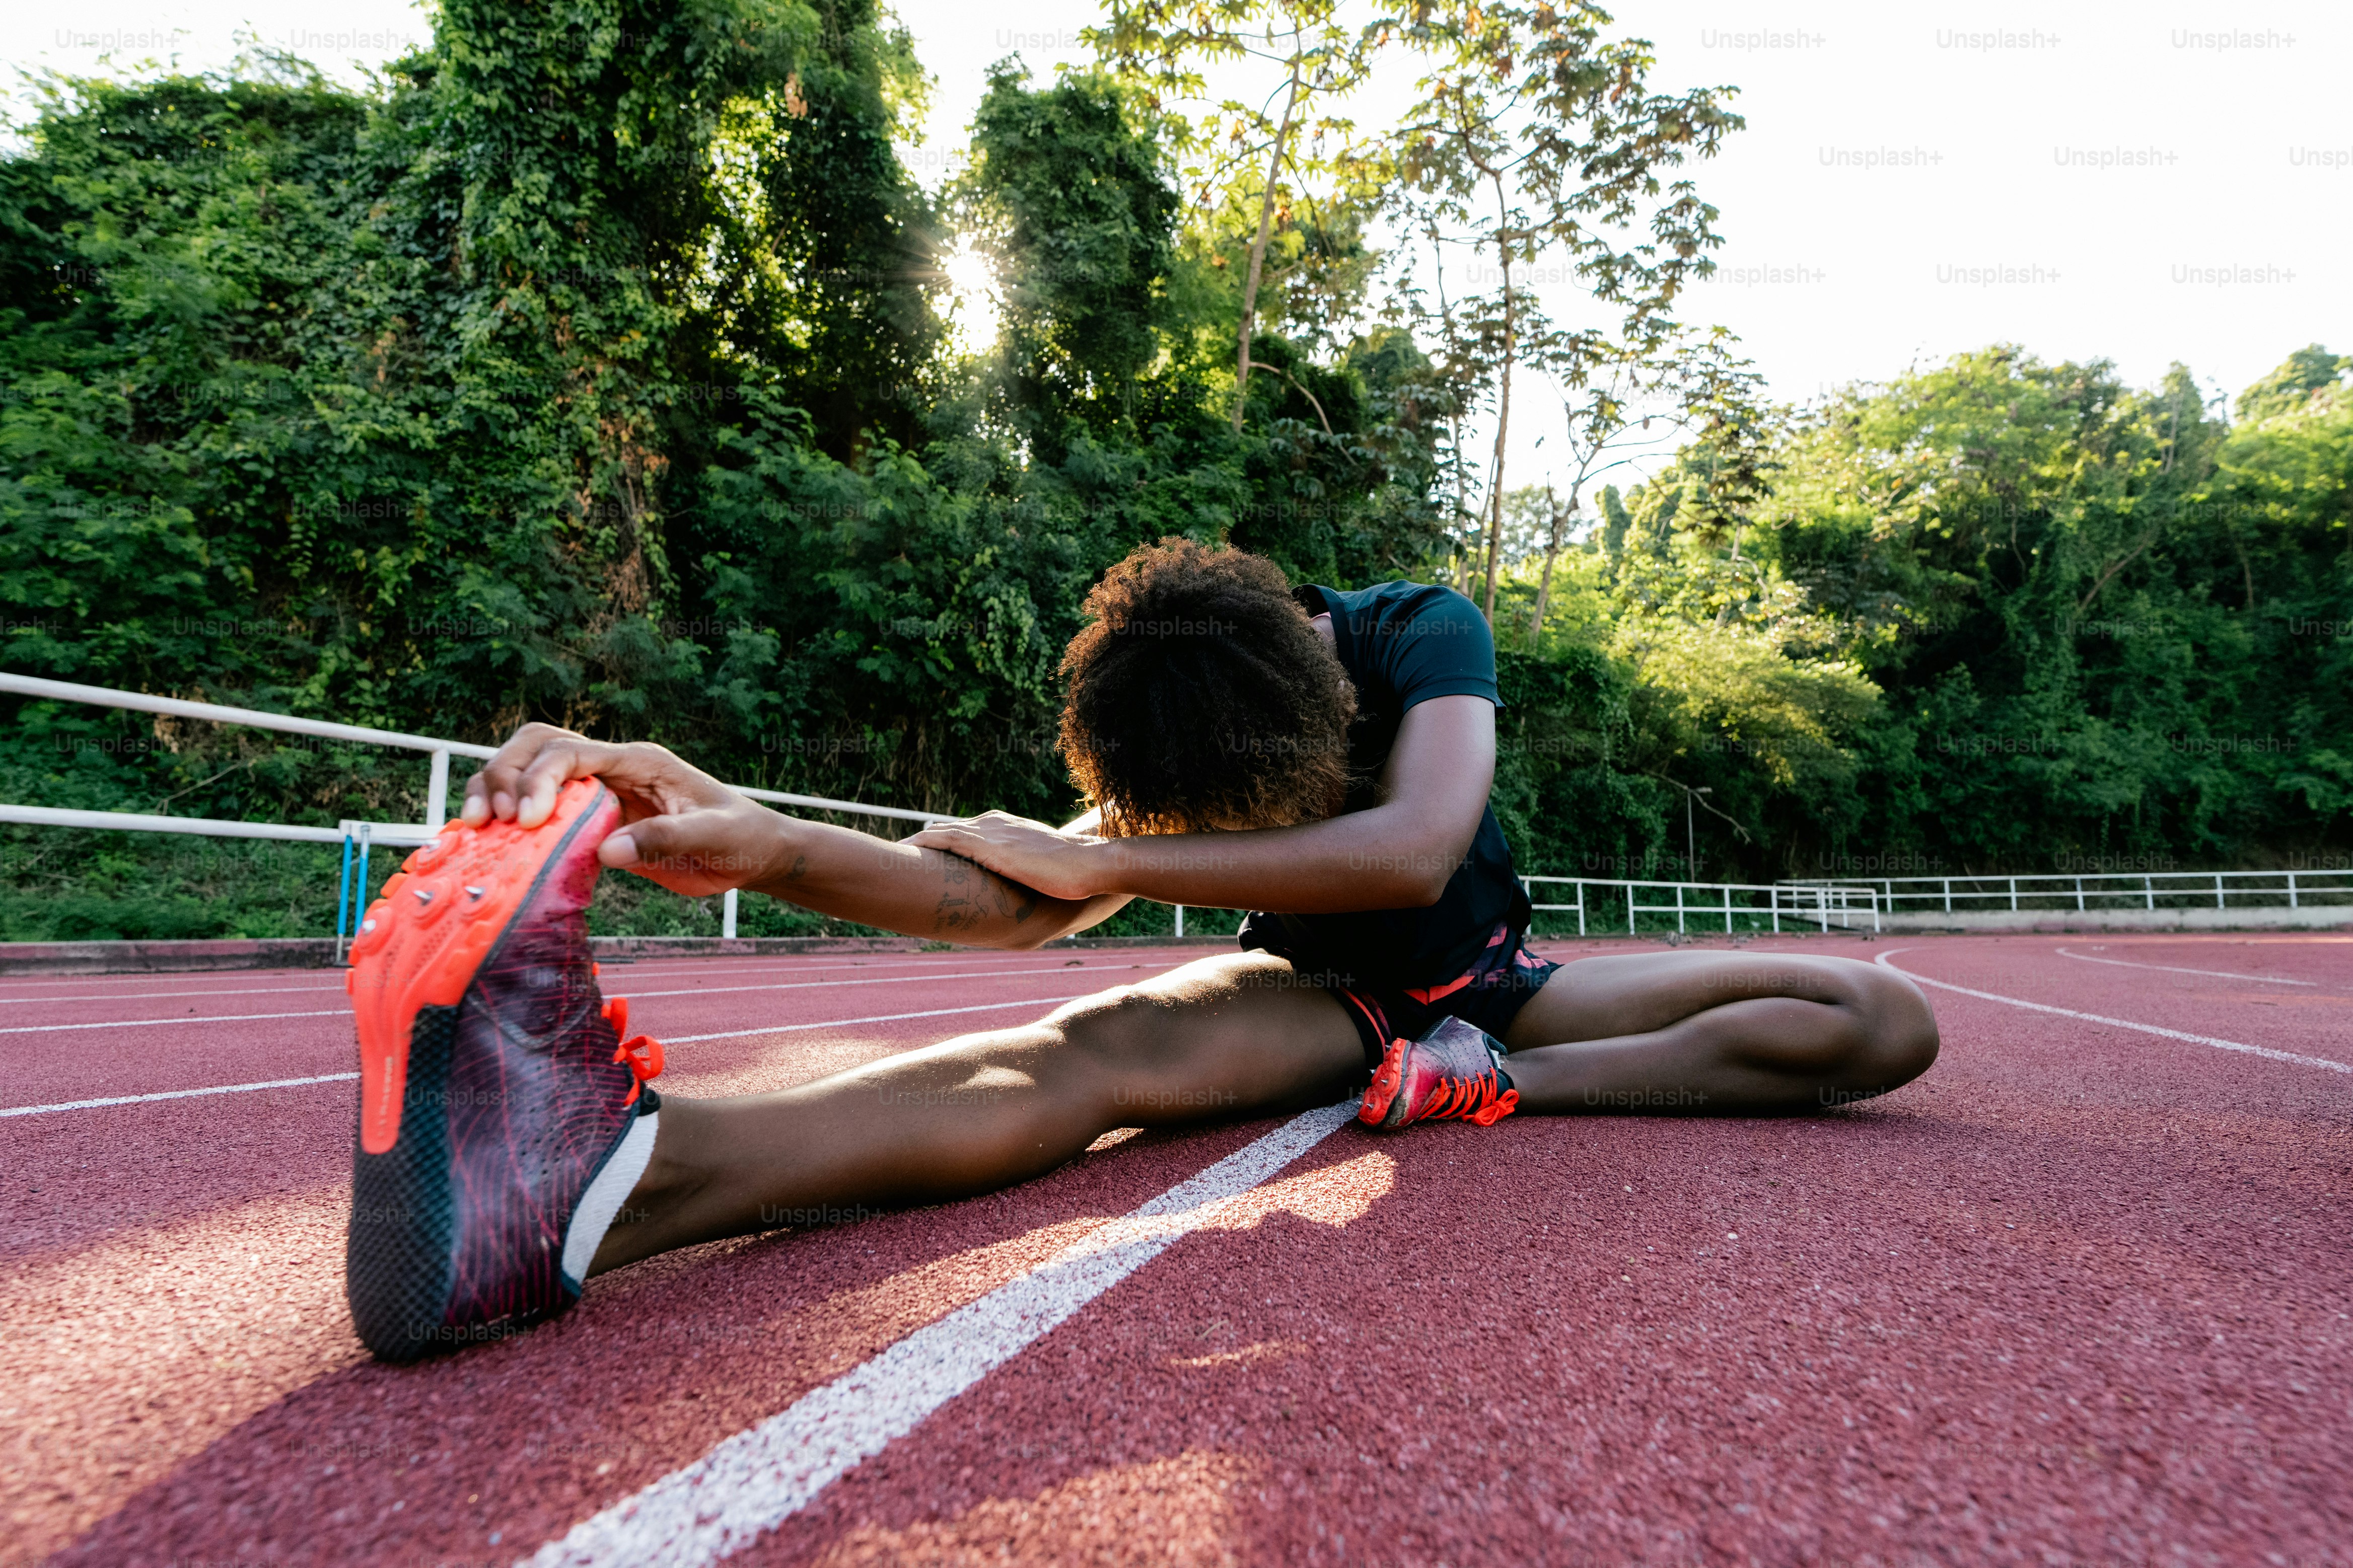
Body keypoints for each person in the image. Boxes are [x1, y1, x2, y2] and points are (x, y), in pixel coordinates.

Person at [345, 539, 1938, 1357]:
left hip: (1505, 991)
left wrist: (1485, 1066)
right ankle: (584, 1191)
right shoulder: (1156, 755)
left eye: (1275, 807)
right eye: (1202, 825)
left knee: (1871, 1015)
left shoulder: (1416, 632)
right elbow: (1004, 895)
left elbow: (1414, 842)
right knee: (1082, 1055)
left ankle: (1490, 1080)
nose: (1246, 834)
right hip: (1320, 1004)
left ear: (1331, 704)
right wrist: (766, 836)